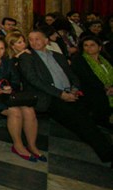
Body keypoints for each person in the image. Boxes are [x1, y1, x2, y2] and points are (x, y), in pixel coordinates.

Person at [19, 30, 113, 165]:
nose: (34, 42)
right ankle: (108, 153)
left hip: (70, 94)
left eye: (37, 39)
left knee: (90, 118)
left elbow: (72, 75)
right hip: (49, 97)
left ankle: (106, 148)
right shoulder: (27, 57)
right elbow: (34, 80)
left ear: (46, 41)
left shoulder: (57, 56)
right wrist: (60, 94)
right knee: (82, 122)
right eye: (31, 40)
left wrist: (74, 89)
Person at [70, 35, 113, 128]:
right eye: (86, 45)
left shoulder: (106, 59)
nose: (89, 48)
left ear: (100, 47)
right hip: (91, 90)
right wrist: (105, 88)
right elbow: (87, 77)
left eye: (92, 45)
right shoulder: (79, 59)